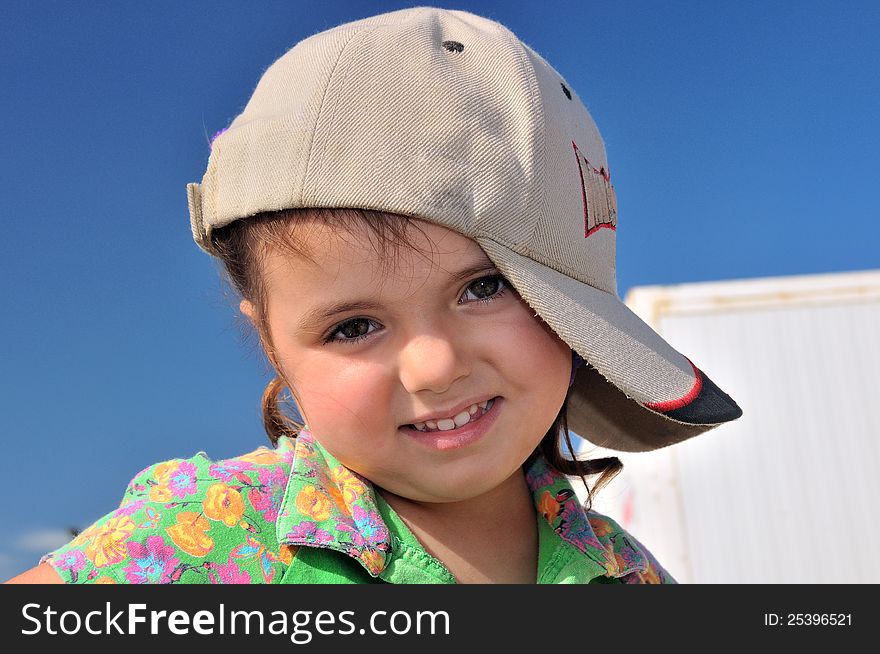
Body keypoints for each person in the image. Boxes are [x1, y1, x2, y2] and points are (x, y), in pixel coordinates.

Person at [7, 6, 741, 585]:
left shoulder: (629, 577)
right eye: (353, 327)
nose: (432, 367)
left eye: (483, 287)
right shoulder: (204, 539)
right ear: (272, 343)